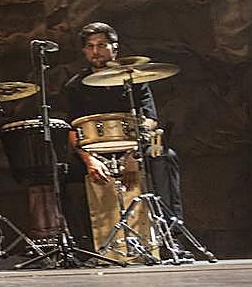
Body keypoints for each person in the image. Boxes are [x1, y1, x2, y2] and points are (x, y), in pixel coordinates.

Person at [60, 22, 184, 249]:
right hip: (95, 152)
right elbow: (72, 129)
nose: (95, 51)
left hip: (133, 147)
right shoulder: (75, 86)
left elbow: (149, 120)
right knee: (62, 174)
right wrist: (89, 161)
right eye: (90, 46)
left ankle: (170, 237)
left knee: (165, 158)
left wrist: (134, 156)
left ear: (114, 48)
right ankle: (84, 245)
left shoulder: (135, 79)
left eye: (101, 45)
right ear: (84, 50)